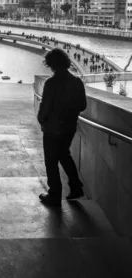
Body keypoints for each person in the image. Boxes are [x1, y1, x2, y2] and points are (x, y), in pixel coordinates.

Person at [37, 48, 86, 206]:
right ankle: (76, 187)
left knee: (51, 161)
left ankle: (54, 194)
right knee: (64, 155)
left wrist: (42, 121)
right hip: (69, 127)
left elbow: (45, 109)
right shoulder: (77, 81)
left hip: (53, 129)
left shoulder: (51, 83)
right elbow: (83, 105)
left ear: (51, 65)